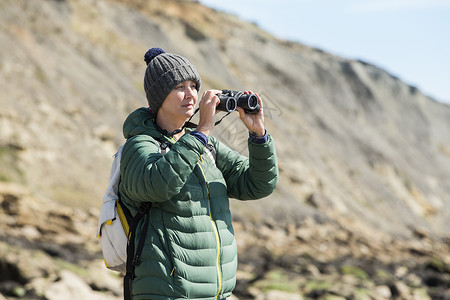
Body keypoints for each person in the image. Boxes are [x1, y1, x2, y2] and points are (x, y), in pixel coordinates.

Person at [119, 47, 278, 300]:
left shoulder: (207, 146)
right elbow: (159, 184)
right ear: (158, 96)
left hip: (216, 294)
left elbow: (257, 184)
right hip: (166, 293)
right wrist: (203, 129)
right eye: (179, 87)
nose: (190, 94)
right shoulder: (140, 144)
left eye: (193, 86)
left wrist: (258, 135)